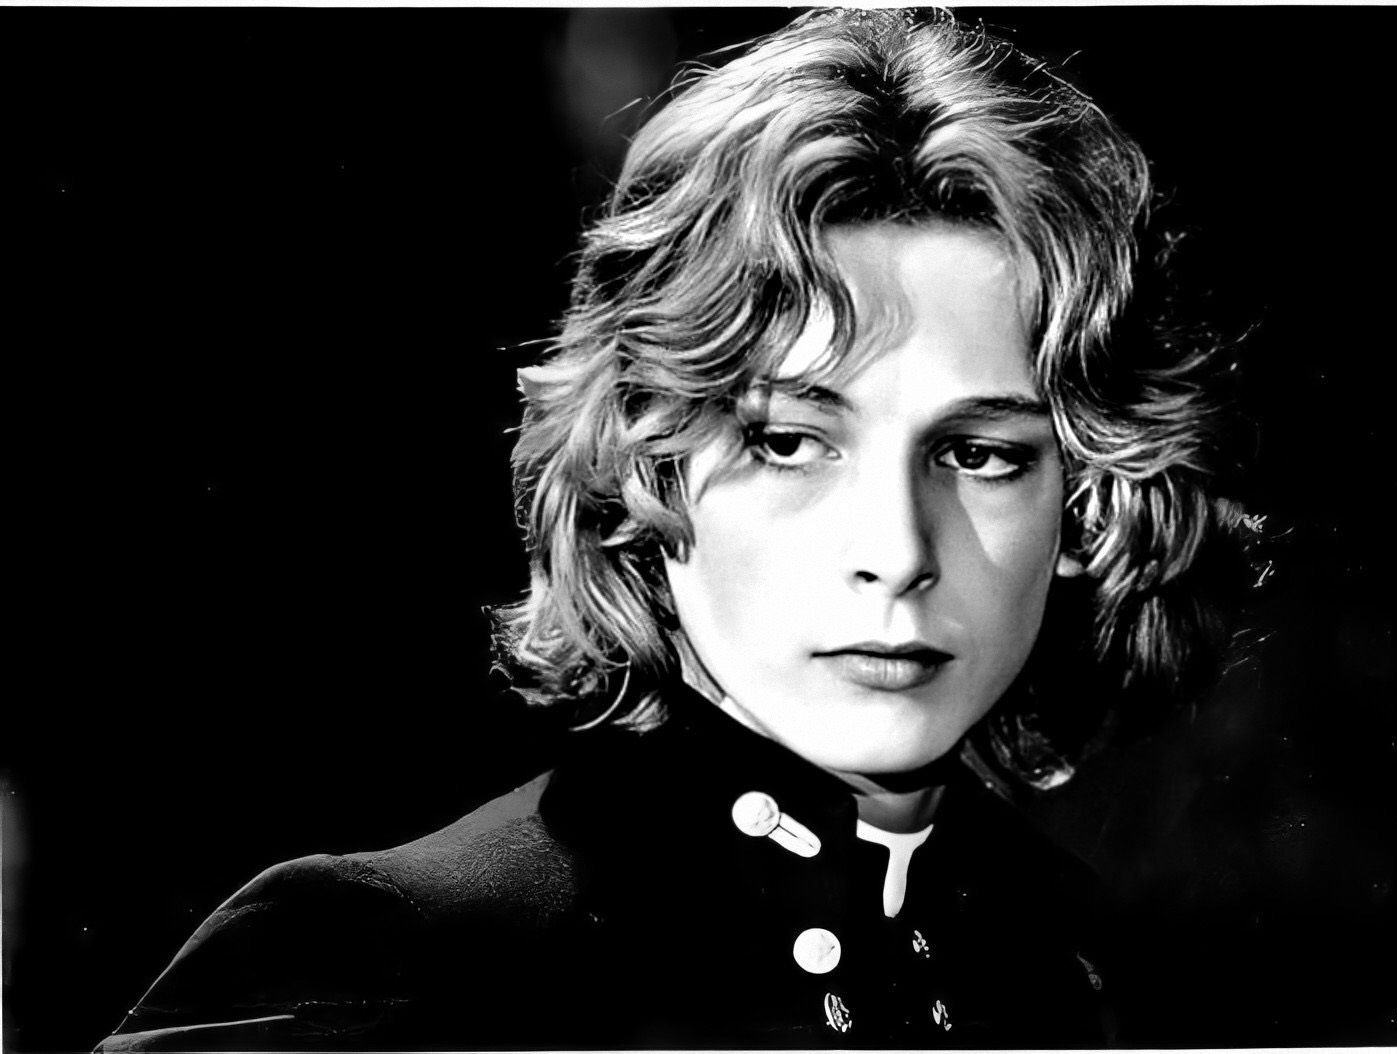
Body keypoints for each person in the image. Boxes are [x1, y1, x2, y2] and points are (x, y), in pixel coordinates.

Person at [97, 8, 1251, 1050]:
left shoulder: (1104, 982)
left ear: (1084, 503)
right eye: (788, 441)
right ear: (644, 463)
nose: (899, 555)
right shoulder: (398, 958)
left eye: (981, 454)